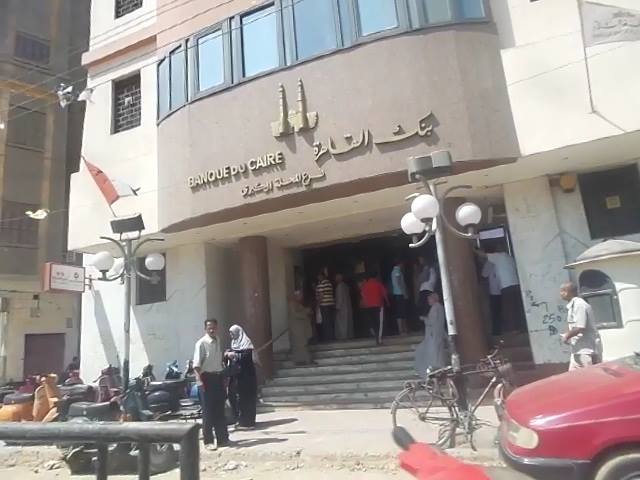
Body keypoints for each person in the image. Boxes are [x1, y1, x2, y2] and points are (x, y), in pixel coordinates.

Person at [193, 318, 229, 450]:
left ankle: (222, 438)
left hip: (218, 377)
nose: (212, 330)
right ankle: (208, 441)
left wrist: (224, 377)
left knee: (220, 409)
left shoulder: (218, 340)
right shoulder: (201, 343)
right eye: (209, 328)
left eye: (214, 327)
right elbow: (196, 365)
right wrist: (199, 381)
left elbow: (219, 361)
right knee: (208, 411)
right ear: (205, 329)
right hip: (206, 378)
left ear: (217, 328)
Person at [477, 246, 524, 333]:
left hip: (505, 286)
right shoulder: (509, 257)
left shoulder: (497, 257)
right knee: (517, 308)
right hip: (516, 284)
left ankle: (513, 330)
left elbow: (484, 271)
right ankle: (520, 328)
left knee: (509, 309)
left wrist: (473, 249)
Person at [560, 282, 602, 371]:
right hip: (577, 349)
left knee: (589, 375)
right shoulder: (572, 306)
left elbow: (580, 327)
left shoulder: (579, 305)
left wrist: (567, 336)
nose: (561, 293)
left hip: (585, 350)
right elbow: (572, 324)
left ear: (570, 292)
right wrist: (568, 335)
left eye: (563, 291)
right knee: (573, 376)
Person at [227, 325, 257, 429]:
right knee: (235, 398)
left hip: (247, 378)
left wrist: (233, 355)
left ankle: (248, 422)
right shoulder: (233, 344)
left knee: (247, 399)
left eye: (232, 333)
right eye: (230, 333)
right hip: (236, 378)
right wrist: (227, 355)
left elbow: (246, 358)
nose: (231, 335)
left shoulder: (247, 344)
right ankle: (240, 420)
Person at [414, 293, 448, 378]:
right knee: (438, 353)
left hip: (433, 334)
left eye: (429, 299)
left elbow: (431, 321)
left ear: (434, 299)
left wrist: (424, 318)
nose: (428, 301)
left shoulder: (435, 308)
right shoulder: (440, 307)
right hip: (438, 333)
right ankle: (439, 370)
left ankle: (433, 371)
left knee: (433, 353)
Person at [360, 272, 389, 345]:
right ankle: (379, 339)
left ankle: (376, 335)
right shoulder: (378, 284)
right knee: (380, 322)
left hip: (368, 306)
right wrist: (388, 302)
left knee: (373, 322)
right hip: (378, 305)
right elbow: (384, 294)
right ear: (376, 277)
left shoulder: (365, 285)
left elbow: (363, 295)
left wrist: (365, 303)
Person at [288, 290, 314, 365]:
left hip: (301, 327)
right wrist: (306, 311)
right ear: (296, 296)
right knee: (301, 344)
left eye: (302, 295)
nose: (301, 297)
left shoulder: (298, 304)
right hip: (297, 328)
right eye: (300, 295)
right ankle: (306, 360)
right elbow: (296, 314)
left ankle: (302, 360)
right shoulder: (292, 304)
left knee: (302, 343)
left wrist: (308, 311)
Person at [481, 259, 503, 336]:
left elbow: (484, 275)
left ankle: (497, 331)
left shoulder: (490, 262)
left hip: (494, 291)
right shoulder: (501, 259)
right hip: (503, 287)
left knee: (495, 313)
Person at [315, 272, 336, 342]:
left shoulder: (321, 284)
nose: (318, 278)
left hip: (324, 305)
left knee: (325, 322)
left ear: (321, 276)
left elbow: (321, 296)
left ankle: (327, 338)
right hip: (331, 304)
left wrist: (318, 305)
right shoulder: (329, 283)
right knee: (330, 321)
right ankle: (331, 337)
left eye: (318, 276)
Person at [390, 259, 409, 336]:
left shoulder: (393, 271)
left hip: (397, 293)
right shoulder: (397, 271)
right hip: (400, 293)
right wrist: (404, 292)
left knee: (401, 312)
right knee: (400, 312)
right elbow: (399, 282)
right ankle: (401, 330)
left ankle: (403, 329)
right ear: (399, 263)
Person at [335, 274, 354, 340]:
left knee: (342, 324)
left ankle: (343, 336)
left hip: (342, 308)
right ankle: (349, 335)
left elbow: (340, 298)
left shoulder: (339, 286)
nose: (335, 279)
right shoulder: (346, 286)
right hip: (347, 307)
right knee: (348, 322)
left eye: (336, 278)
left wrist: (337, 307)